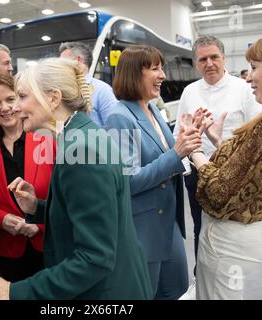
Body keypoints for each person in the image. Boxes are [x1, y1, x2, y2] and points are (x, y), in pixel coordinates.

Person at [0, 57, 153, 300]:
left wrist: (12, 291)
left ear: (53, 98)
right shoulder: (83, 134)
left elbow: (94, 258)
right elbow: (91, 213)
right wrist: (37, 208)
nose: (15, 107)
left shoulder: (81, 149)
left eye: (22, 96)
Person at [185, 30, 262, 300]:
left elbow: (221, 193)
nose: (249, 76)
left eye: (254, 68)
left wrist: (194, 151)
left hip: (229, 237)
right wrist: (220, 142)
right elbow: (255, 170)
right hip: (253, 228)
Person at [105, 45, 202, 299]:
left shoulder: (154, 110)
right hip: (143, 227)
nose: (163, 75)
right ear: (133, 73)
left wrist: (188, 138)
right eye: (155, 68)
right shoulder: (119, 117)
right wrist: (176, 152)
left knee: (177, 289)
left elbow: (170, 156)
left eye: (162, 68)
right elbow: (128, 181)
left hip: (168, 221)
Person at [172, 35, 262, 292]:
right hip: (197, 173)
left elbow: (255, 134)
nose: (209, 63)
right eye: (203, 59)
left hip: (233, 174)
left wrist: (220, 139)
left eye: (214, 57)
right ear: (195, 63)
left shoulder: (244, 89)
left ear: (224, 58)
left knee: (229, 232)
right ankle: (200, 279)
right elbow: (180, 129)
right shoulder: (190, 92)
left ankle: (227, 283)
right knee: (201, 228)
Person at [0, 73, 54, 282]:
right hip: (4, 250)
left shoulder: (47, 140)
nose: (5, 108)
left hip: (45, 245)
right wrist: (1, 219)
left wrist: (39, 224)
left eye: (10, 99)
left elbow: (62, 194)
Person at [59, 41, 118, 126]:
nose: (59, 67)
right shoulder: (61, 91)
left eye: (63, 62)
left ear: (78, 60)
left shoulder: (102, 90)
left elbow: (115, 128)